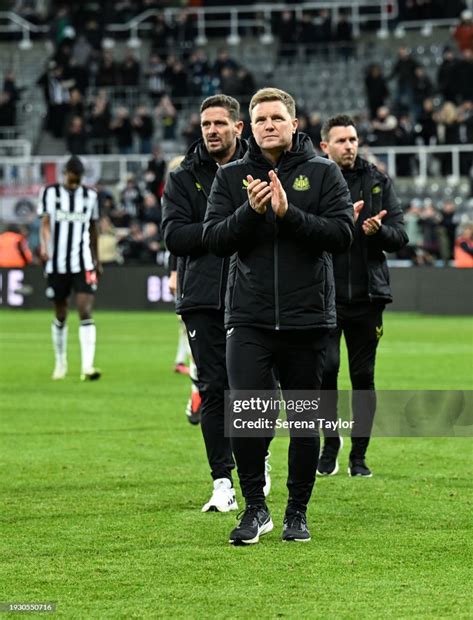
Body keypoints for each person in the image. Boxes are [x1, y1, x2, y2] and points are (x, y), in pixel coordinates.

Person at [203, 88, 354, 545]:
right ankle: (255, 509)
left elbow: (343, 234)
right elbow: (213, 239)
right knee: (248, 418)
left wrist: (290, 215)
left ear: (293, 123)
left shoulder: (324, 173)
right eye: (261, 118)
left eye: (277, 117)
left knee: (306, 421)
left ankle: (297, 512)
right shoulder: (231, 178)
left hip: (307, 318)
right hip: (248, 318)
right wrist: (250, 212)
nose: (270, 124)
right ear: (249, 126)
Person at [161, 95, 249, 514]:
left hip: (253, 293)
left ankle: (258, 460)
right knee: (214, 388)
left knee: (252, 389)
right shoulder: (183, 177)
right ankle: (222, 482)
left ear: (238, 127)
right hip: (201, 296)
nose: (211, 131)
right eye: (205, 124)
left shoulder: (259, 168)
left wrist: (211, 231)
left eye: (219, 123)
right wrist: (227, 229)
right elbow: (174, 237)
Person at [317, 114, 408, 478]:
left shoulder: (377, 181)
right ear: (325, 146)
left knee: (363, 376)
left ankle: (359, 455)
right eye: (341, 140)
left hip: (368, 298)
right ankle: (329, 444)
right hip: (325, 297)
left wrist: (378, 230)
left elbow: (400, 236)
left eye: (353, 139)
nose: (349, 146)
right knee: (326, 372)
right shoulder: (316, 181)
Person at [38, 155, 101, 382]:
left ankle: (88, 366)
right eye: (71, 180)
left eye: (77, 181)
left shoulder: (90, 196)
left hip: (82, 262)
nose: (74, 185)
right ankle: (61, 362)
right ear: (64, 174)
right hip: (57, 263)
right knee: (61, 314)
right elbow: (45, 223)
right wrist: (45, 246)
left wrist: (98, 260)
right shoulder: (49, 193)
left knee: (85, 310)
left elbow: (93, 229)